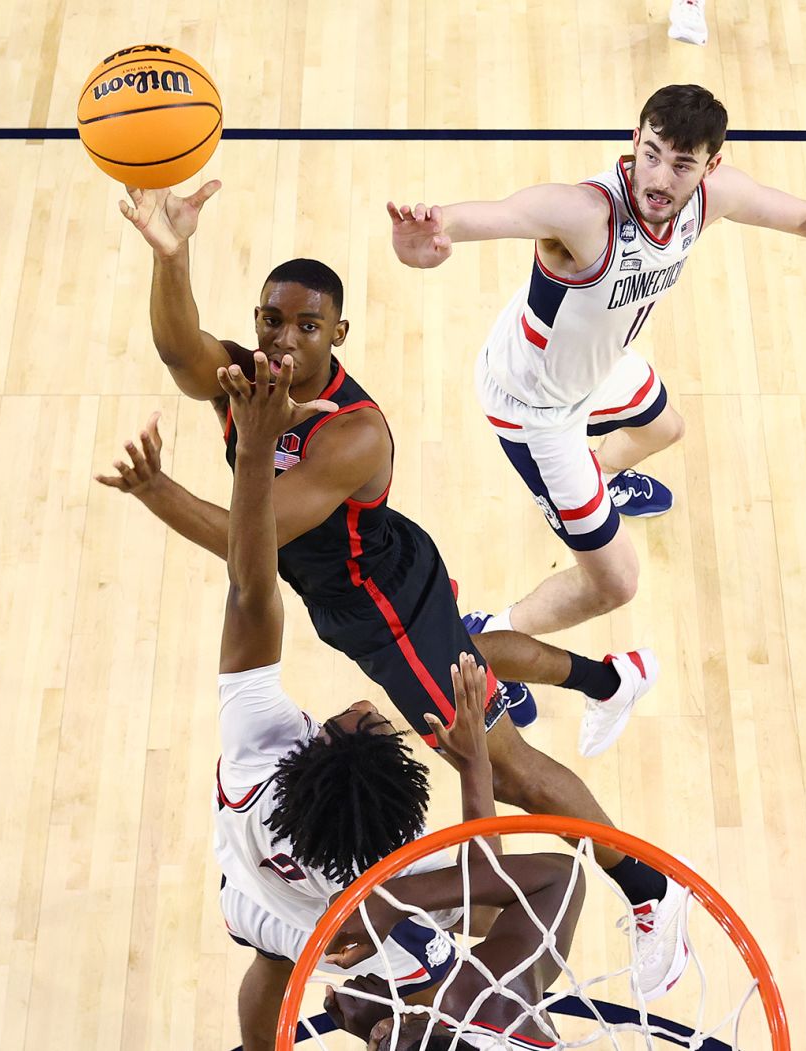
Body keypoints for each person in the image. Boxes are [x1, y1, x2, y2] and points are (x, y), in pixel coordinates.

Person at [104, 191, 690, 996]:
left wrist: (160, 490)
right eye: (272, 319)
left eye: (307, 326)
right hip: (373, 576)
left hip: (380, 607)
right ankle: (608, 678)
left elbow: (257, 547)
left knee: (505, 762)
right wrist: (171, 258)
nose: (283, 337)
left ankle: (649, 888)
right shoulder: (249, 380)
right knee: (473, 655)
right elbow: (179, 349)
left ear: (336, 336)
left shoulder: (352, 432)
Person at [387, 83, 806, 637]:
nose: (660, 177)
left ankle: (593, 484)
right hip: (535, 406)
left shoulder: (712, 199)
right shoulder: (584, 213)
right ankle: (488, 639)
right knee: (614, 584)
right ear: (634, 141)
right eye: (651, 153)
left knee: (664, 427)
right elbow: (489, 216)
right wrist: (432, 239)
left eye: (681, 165)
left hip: (595, 365)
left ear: (710, 166)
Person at [208, 349, 461, 1051]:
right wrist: (475, 770)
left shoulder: (257, 756)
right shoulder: (392, 857)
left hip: (260, 899)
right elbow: (487, 872)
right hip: (350, 930)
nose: (371, 705)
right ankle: (393, 1030)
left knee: (273, 958)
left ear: (317, 743)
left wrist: (255, 453)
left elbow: (250, 587)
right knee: (448, 976)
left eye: (363, 719)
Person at [320, 643, 597, 1051]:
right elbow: (560, 878)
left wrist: (378, 1033)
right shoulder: (491, 1003)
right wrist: (393, 898)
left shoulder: (482, 1002)